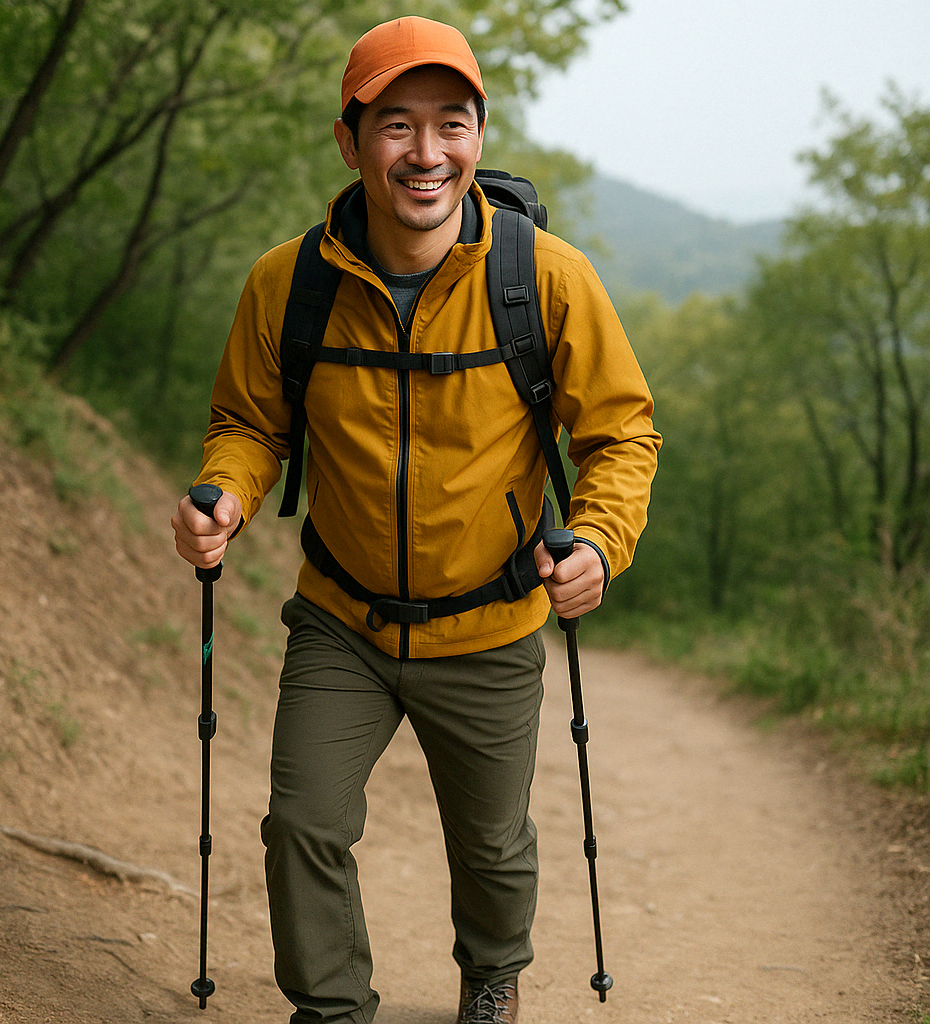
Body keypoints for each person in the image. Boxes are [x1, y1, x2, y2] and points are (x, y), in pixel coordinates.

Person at [172, 15, 660, 1024]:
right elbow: (249, 422)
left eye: (451, 123)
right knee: (301, 821)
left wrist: (600, 543)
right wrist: (224, 493)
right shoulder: (288, 284)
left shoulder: (544, 278)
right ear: (350, 141)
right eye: (397, 125)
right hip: (342, 620)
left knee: (490, 843)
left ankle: (493, 976)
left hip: (489, 625)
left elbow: (619, 432)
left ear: (479, 135)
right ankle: (332, 1007)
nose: (426, 152)